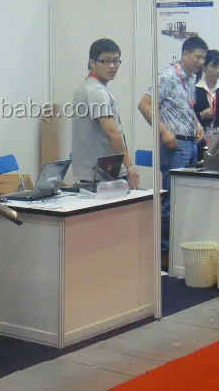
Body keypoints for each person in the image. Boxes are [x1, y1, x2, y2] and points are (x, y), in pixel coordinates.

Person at [138, 36, 207, 266]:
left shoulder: (191, 78)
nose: (201, 62)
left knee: (186, 200)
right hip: (174, 145)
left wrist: (197, 123)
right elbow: (144, 105)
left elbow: (186, 107)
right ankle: (163, 254)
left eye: (204, 58)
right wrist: (163, 131)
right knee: (171, 199)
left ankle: (180, 248)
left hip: (191, 144)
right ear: (185, 54)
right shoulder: (168, 76)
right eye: (198, 57)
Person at [71, 38, 140, 189]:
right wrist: (129, 166)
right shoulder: (97, 92)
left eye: (116, 61)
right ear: (92, 63)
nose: (112, 66)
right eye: (106, 61)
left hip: (89, 171)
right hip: (104, 172)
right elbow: (111, 132)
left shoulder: (83, 88)